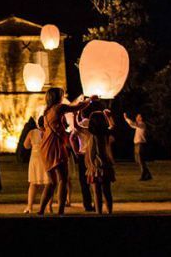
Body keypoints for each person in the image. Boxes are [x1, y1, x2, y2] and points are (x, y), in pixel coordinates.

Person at [37, 88, 90, 216]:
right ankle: (60, 210)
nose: (63, 96)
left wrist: (80, 98)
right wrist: (90, 100)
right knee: (63, 179)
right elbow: (76, 107)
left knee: (52, 181)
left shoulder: (47, 111)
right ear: (57, 97)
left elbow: (72, 105)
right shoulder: (58, 108)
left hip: (45, 147)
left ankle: (41, 210)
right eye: (62, 95)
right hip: (56, 146)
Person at [84, 110, 116, 214]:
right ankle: (109, 212)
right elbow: (112, 126)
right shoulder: (105, 134)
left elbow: (76, 126)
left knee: (96, 193)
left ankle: (98, 214)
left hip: (94, 167)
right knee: (107, 192)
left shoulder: (90, 134)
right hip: (105, 166)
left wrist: (77, 113)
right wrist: (109, 116)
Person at [23, 116, 51, 213]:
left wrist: (33, 145)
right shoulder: (49, 132)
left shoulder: (32, 132)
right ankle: (48, 207)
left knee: (33, 184)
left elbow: (26, 145)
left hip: (35, 159)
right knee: (48, 183)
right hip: (46, 159)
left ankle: (29, 207)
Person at [124, 112, 152, 181]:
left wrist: (126, 118)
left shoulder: (142, 124)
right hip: (137, 144)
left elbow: (133, 124)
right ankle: (148, 174)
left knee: (140, 160)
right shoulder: (139, 125)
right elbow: (132, 125)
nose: (136, 117)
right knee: (138, 160)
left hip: (140, 144)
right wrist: (126, 119)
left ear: (141, 118)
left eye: (138, 116)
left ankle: (144, 175)